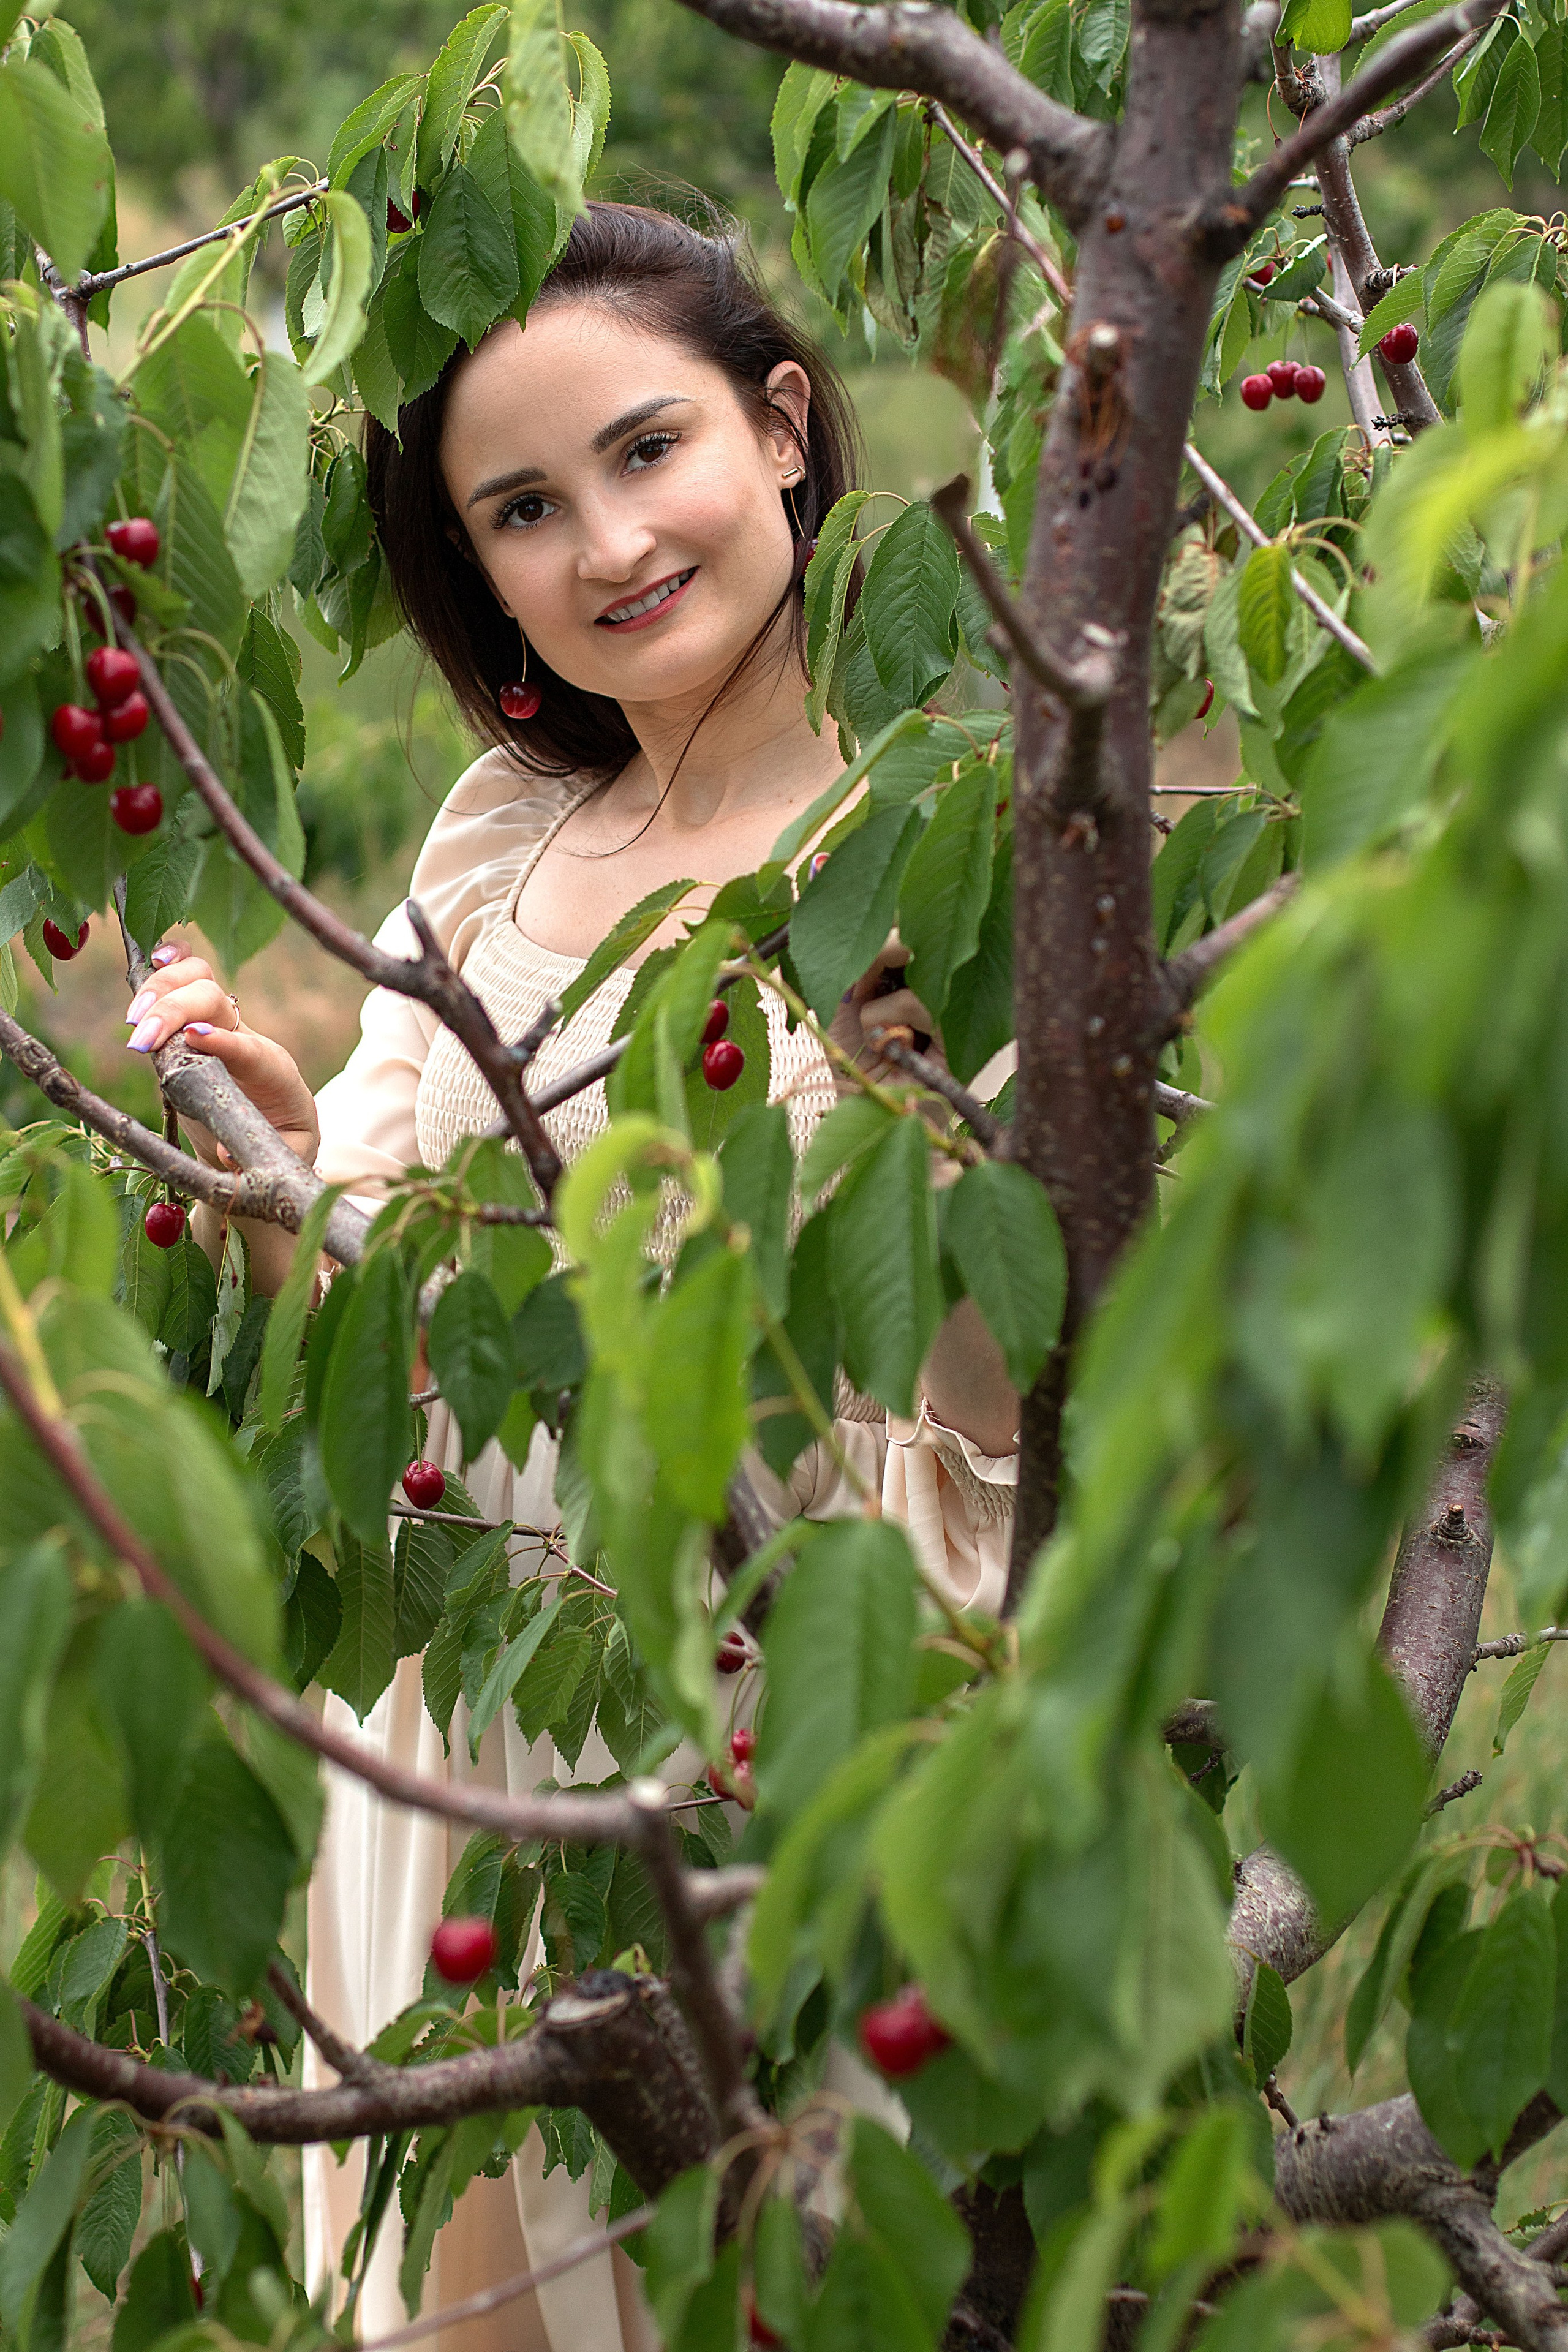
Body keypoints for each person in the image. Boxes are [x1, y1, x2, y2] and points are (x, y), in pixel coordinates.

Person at [119, 203, 1019, 2350]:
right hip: (480, 1696)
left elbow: (1001, 1402)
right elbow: (385, 1308)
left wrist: (935, 1109)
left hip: (780, 1696)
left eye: (645, 452)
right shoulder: (504, 832)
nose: (606, 543)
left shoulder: (951, 826)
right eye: (523, 509)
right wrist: (264, 1149)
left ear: (785, 423)